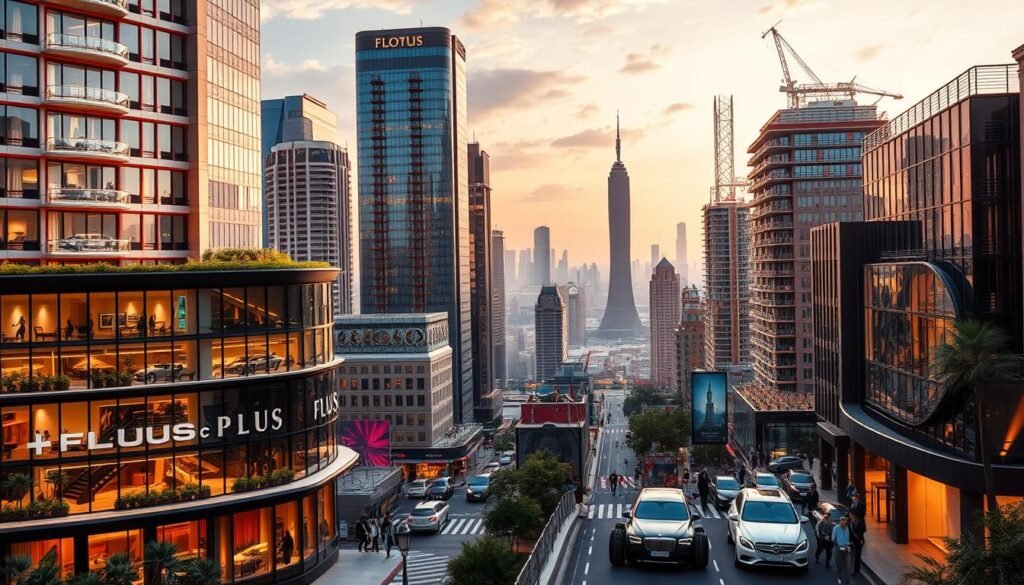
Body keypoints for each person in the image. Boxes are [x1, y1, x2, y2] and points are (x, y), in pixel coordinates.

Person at [832, 515, 853, 585]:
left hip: (846, 549)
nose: (844, 524)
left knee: (847, 567)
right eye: (843, 522)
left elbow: (847, 539)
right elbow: (833, 539)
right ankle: (839, 577)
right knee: (839, 566)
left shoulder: (847, 528)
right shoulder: (835, 528)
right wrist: (838, 546)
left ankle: (848, 582)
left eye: (845, 523)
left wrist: (848, 546)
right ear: (840, 521)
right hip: (838, 549)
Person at [849, 512, 866, 577]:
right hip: (853, 542)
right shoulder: (851, 523)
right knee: (854, 556)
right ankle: (854, 570)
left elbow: (864, 530)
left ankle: (856, 570)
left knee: (857, 556)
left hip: (858, 541)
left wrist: (860, 538)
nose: (850, 516)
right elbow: (850, 533)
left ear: (854, 516)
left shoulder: (859, 522)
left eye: (851, 515)